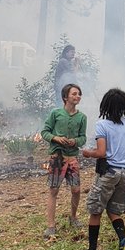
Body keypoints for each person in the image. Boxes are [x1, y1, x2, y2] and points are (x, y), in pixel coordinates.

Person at [78, 88, 125, 250]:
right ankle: (124, 241)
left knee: (95, 210)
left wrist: (88, 153)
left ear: (105, 106)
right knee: (113, 210)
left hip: (109, 172)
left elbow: (102, 152)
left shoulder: (102, 125)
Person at [40, 83, 87, 239]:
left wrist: (75, 141)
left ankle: (73, 217)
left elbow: (83, 138)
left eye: (79, 94)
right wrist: (56, 138)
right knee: (54, 190)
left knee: (76, 190)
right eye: (74, 94)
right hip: (57, 157)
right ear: (65, 97)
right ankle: (51, 225)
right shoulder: (56, 114)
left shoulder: (82, 117)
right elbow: (44, 132)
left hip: (72, 158)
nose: (77, 96)